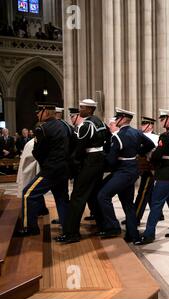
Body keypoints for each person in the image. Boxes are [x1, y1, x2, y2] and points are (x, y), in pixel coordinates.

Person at [97, 108, 155, 243]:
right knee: (128, 205)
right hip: (133, 170)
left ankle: (113, 226)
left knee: (102, 195)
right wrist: (137, 152)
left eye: (117, 118)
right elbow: (150, 144)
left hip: (123, 171)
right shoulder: (136, 132)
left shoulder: (117, 136)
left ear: (122, 119)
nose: (116, 120)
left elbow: (111, 161)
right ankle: (132, 235)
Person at [56, 100, 109, 244]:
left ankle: (71, 233)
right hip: (98, 162)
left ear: (90, 109)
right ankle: (104, 225)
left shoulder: (87, 125)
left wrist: (74, 165)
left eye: (82, 108)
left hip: (89, 162)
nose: (80, 110)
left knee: (77, 197)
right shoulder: (101, 123)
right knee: (93, 195)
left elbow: (79, 148)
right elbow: (108, 142)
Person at [16, 104, 70, 237]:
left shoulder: (42, 128)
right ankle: (68, 229)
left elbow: (38, 153)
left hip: (50, 171)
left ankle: (30, 228)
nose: (37, 114)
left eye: (39, 111)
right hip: (63, 169)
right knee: (61, 198)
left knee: (28, 194)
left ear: (46, 112)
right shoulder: (65, 125)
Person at [139, 109, 169, 244]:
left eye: (162, 119)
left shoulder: (166, 136)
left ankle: (149, 234)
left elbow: (157, 154)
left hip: (165, 172)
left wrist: (151, 158)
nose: (160, 121)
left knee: (156, 203)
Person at [131, 116, 160, 227]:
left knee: (142, 193)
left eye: (144, 124)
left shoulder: (155, 137)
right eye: (142, 124)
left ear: (150, 125)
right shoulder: (142, 136)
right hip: (144, 167)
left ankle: (136, 217)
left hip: (149, 168)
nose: (141, 126)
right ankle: (159, 214)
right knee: (149, 192)